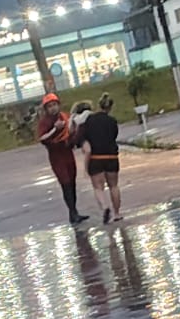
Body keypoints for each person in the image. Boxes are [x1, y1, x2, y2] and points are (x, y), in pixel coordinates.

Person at [36, 92, 89, 225]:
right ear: (46, 109)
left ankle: (74, 212)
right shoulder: (45, 122)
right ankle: (72, 212)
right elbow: (42, 139)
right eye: (50, 106)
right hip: (56, 155)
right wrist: (55, 129)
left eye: (54, 105)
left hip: (67, 152)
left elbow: (72, 132)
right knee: (65, 183)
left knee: (72, 182)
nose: (53, 108)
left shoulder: (66, 117)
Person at [80, 93, 124, 224]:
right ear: (110, 107)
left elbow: (84, 136)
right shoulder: (112, 121)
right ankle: (117, 213)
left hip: (96, 158)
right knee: (114, 186)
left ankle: (105, 207)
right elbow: (114, 136)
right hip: (111, 156)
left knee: (98, 187)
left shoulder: (90, 120)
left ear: (99, 105)